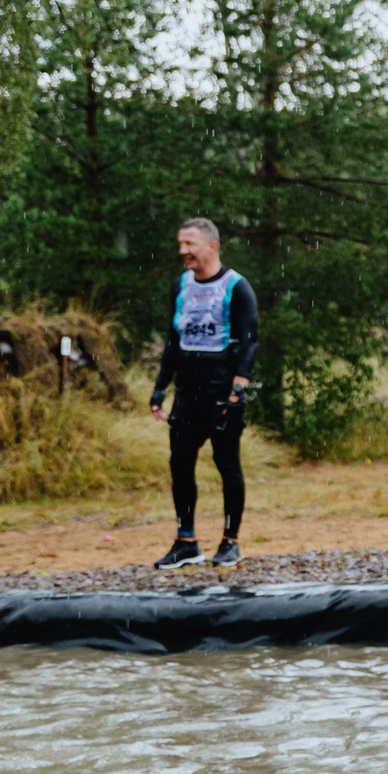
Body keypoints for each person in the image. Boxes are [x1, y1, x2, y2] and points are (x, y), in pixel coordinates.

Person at [149, 217, 257, 571]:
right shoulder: (181, 285)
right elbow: (173, 340)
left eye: (190, 244)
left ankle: (230, 541)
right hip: (187, 391)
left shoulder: (236, 286)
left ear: (211, 245)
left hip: (222, 390)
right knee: (180, 465)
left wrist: (238, 388)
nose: (183, 251)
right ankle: (186, 542)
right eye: (180, 244)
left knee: (227, 465)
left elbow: (250, 340)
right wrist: (160, 388)